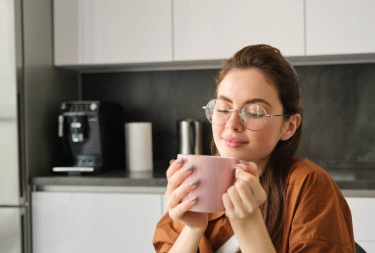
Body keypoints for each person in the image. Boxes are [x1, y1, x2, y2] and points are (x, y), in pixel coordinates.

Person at [152, 44, 355, 253]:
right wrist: (192, 229)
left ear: (289, 126)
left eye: (255, 113)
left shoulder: (308, 185)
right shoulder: (197, 181)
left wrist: (249, 224)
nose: (232, 124)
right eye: (223, 109)